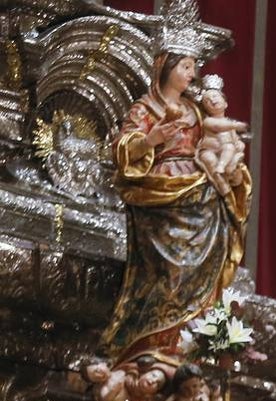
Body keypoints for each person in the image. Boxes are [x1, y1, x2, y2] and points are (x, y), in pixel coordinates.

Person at [102, 46, 250, 369]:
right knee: (169, 274)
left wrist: (232, 171)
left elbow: (215, 143)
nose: (191, 74)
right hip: (162, 196)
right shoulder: (147, 108)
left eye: (193, 67)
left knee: (198, 270)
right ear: (165, 67)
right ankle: (154, 341)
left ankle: (189, 338)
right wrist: (152, 139)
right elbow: (124, 150)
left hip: (200, 194)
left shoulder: (196, 111)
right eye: (185, 66)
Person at [195, 74, 248, 197]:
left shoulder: (229, 122)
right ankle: (221, 181)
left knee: (232, 150)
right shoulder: (209, 121)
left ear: (225, 103)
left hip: (226, 153)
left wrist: (239, 143)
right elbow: (218, 126)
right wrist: (235, 125)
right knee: (209, 159)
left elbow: (234, 139)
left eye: (215, 96)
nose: (212, 101)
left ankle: (228, 171)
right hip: (209, 151)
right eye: (207, 101)